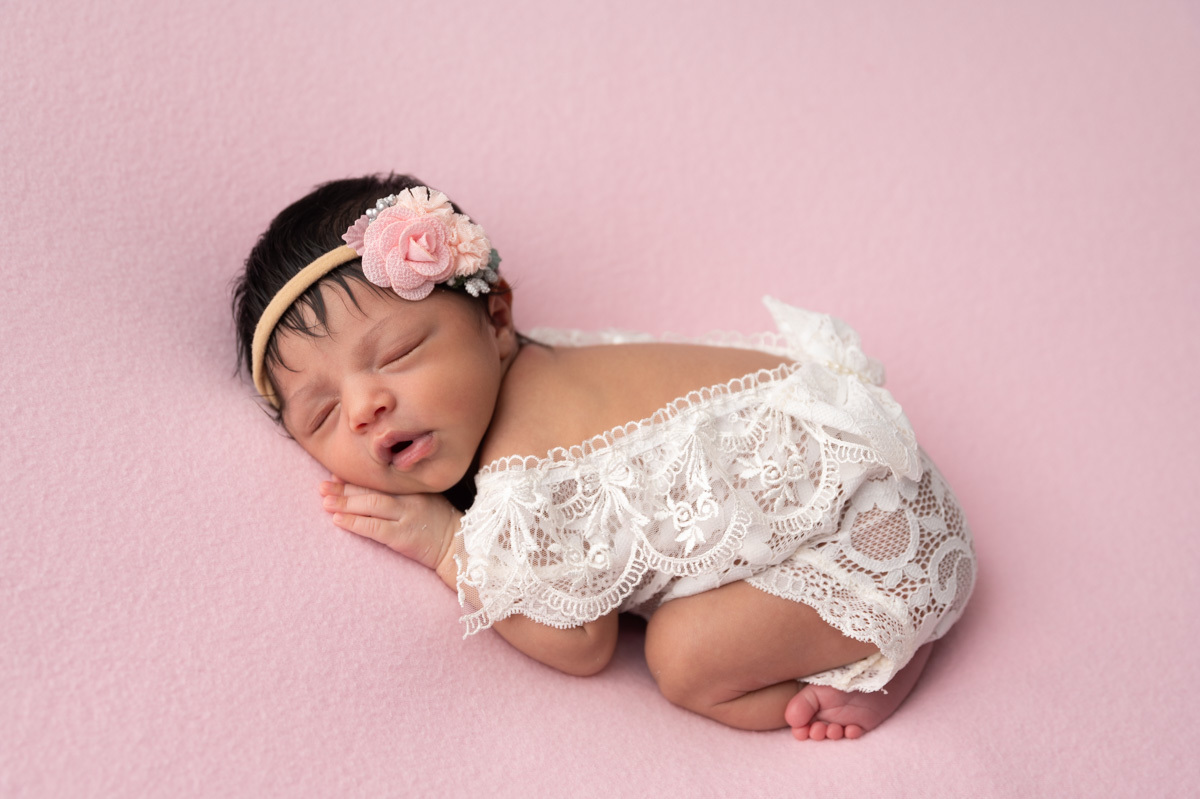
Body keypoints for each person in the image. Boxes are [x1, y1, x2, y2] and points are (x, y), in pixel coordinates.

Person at [232, 173, 975, 741]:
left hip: (880, 542)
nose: (365, 408)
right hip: (879, 469)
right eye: (323, 414)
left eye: (397, 352)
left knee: (684, 662)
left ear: (496, 319)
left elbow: (583, 642)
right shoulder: (547, 363)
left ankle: (884, 658)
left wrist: (447, 544)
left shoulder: (527, 465)